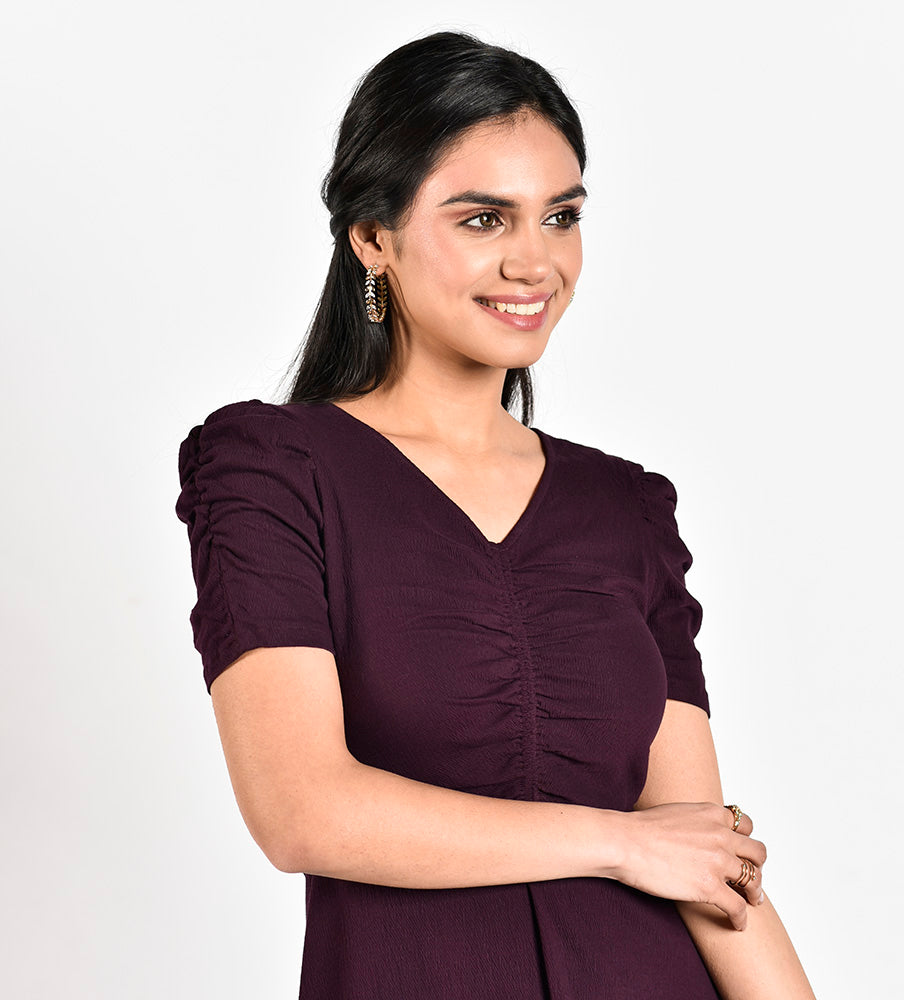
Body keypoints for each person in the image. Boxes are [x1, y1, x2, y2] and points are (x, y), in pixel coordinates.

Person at [176, 31, 814, 1000]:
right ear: (371, 236)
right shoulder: (271, 469)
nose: (535, 261)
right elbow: (303, 811)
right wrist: (619, 843)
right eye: (484, 218)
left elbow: (706, 858)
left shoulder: (628, 508)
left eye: (561, 216)